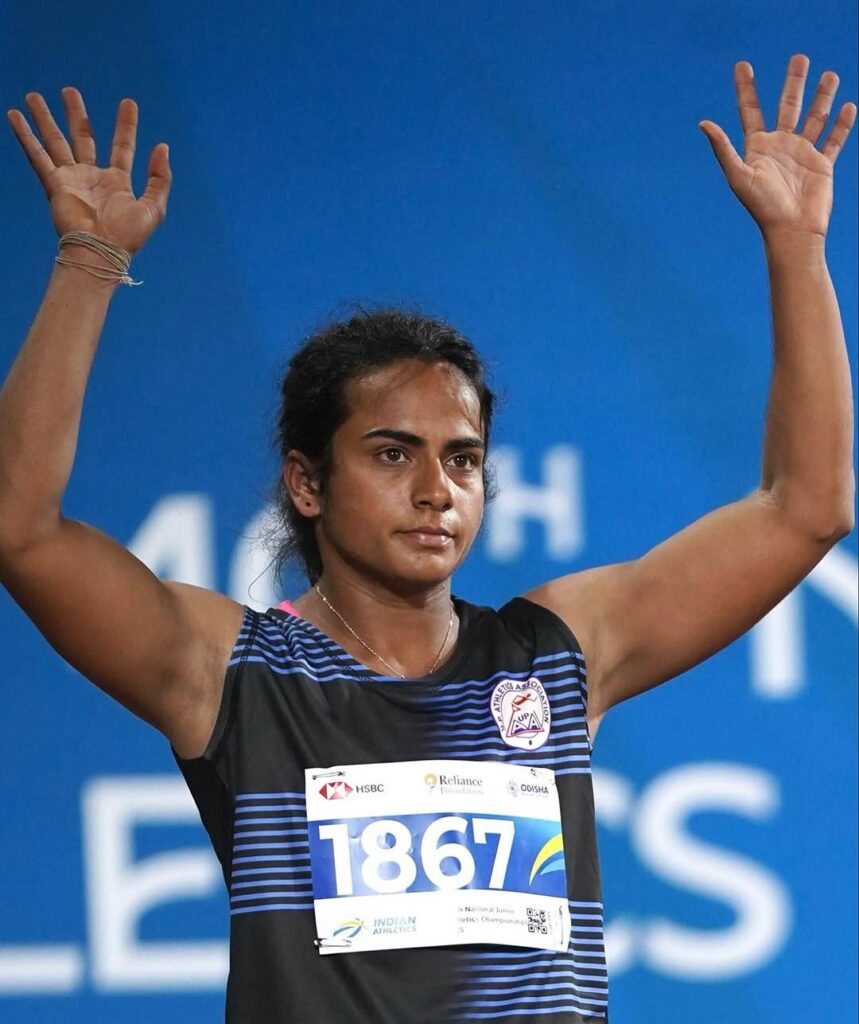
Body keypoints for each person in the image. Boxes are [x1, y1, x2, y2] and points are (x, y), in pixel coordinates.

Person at [0, 53, 854, 1024]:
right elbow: (20, 530)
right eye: (392, 454)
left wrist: (796, 244)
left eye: (461, 459)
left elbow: (804, 508)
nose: (435, 490)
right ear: (306, 482)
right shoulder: (229, 672)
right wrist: (87, 263)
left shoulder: (557, 654)